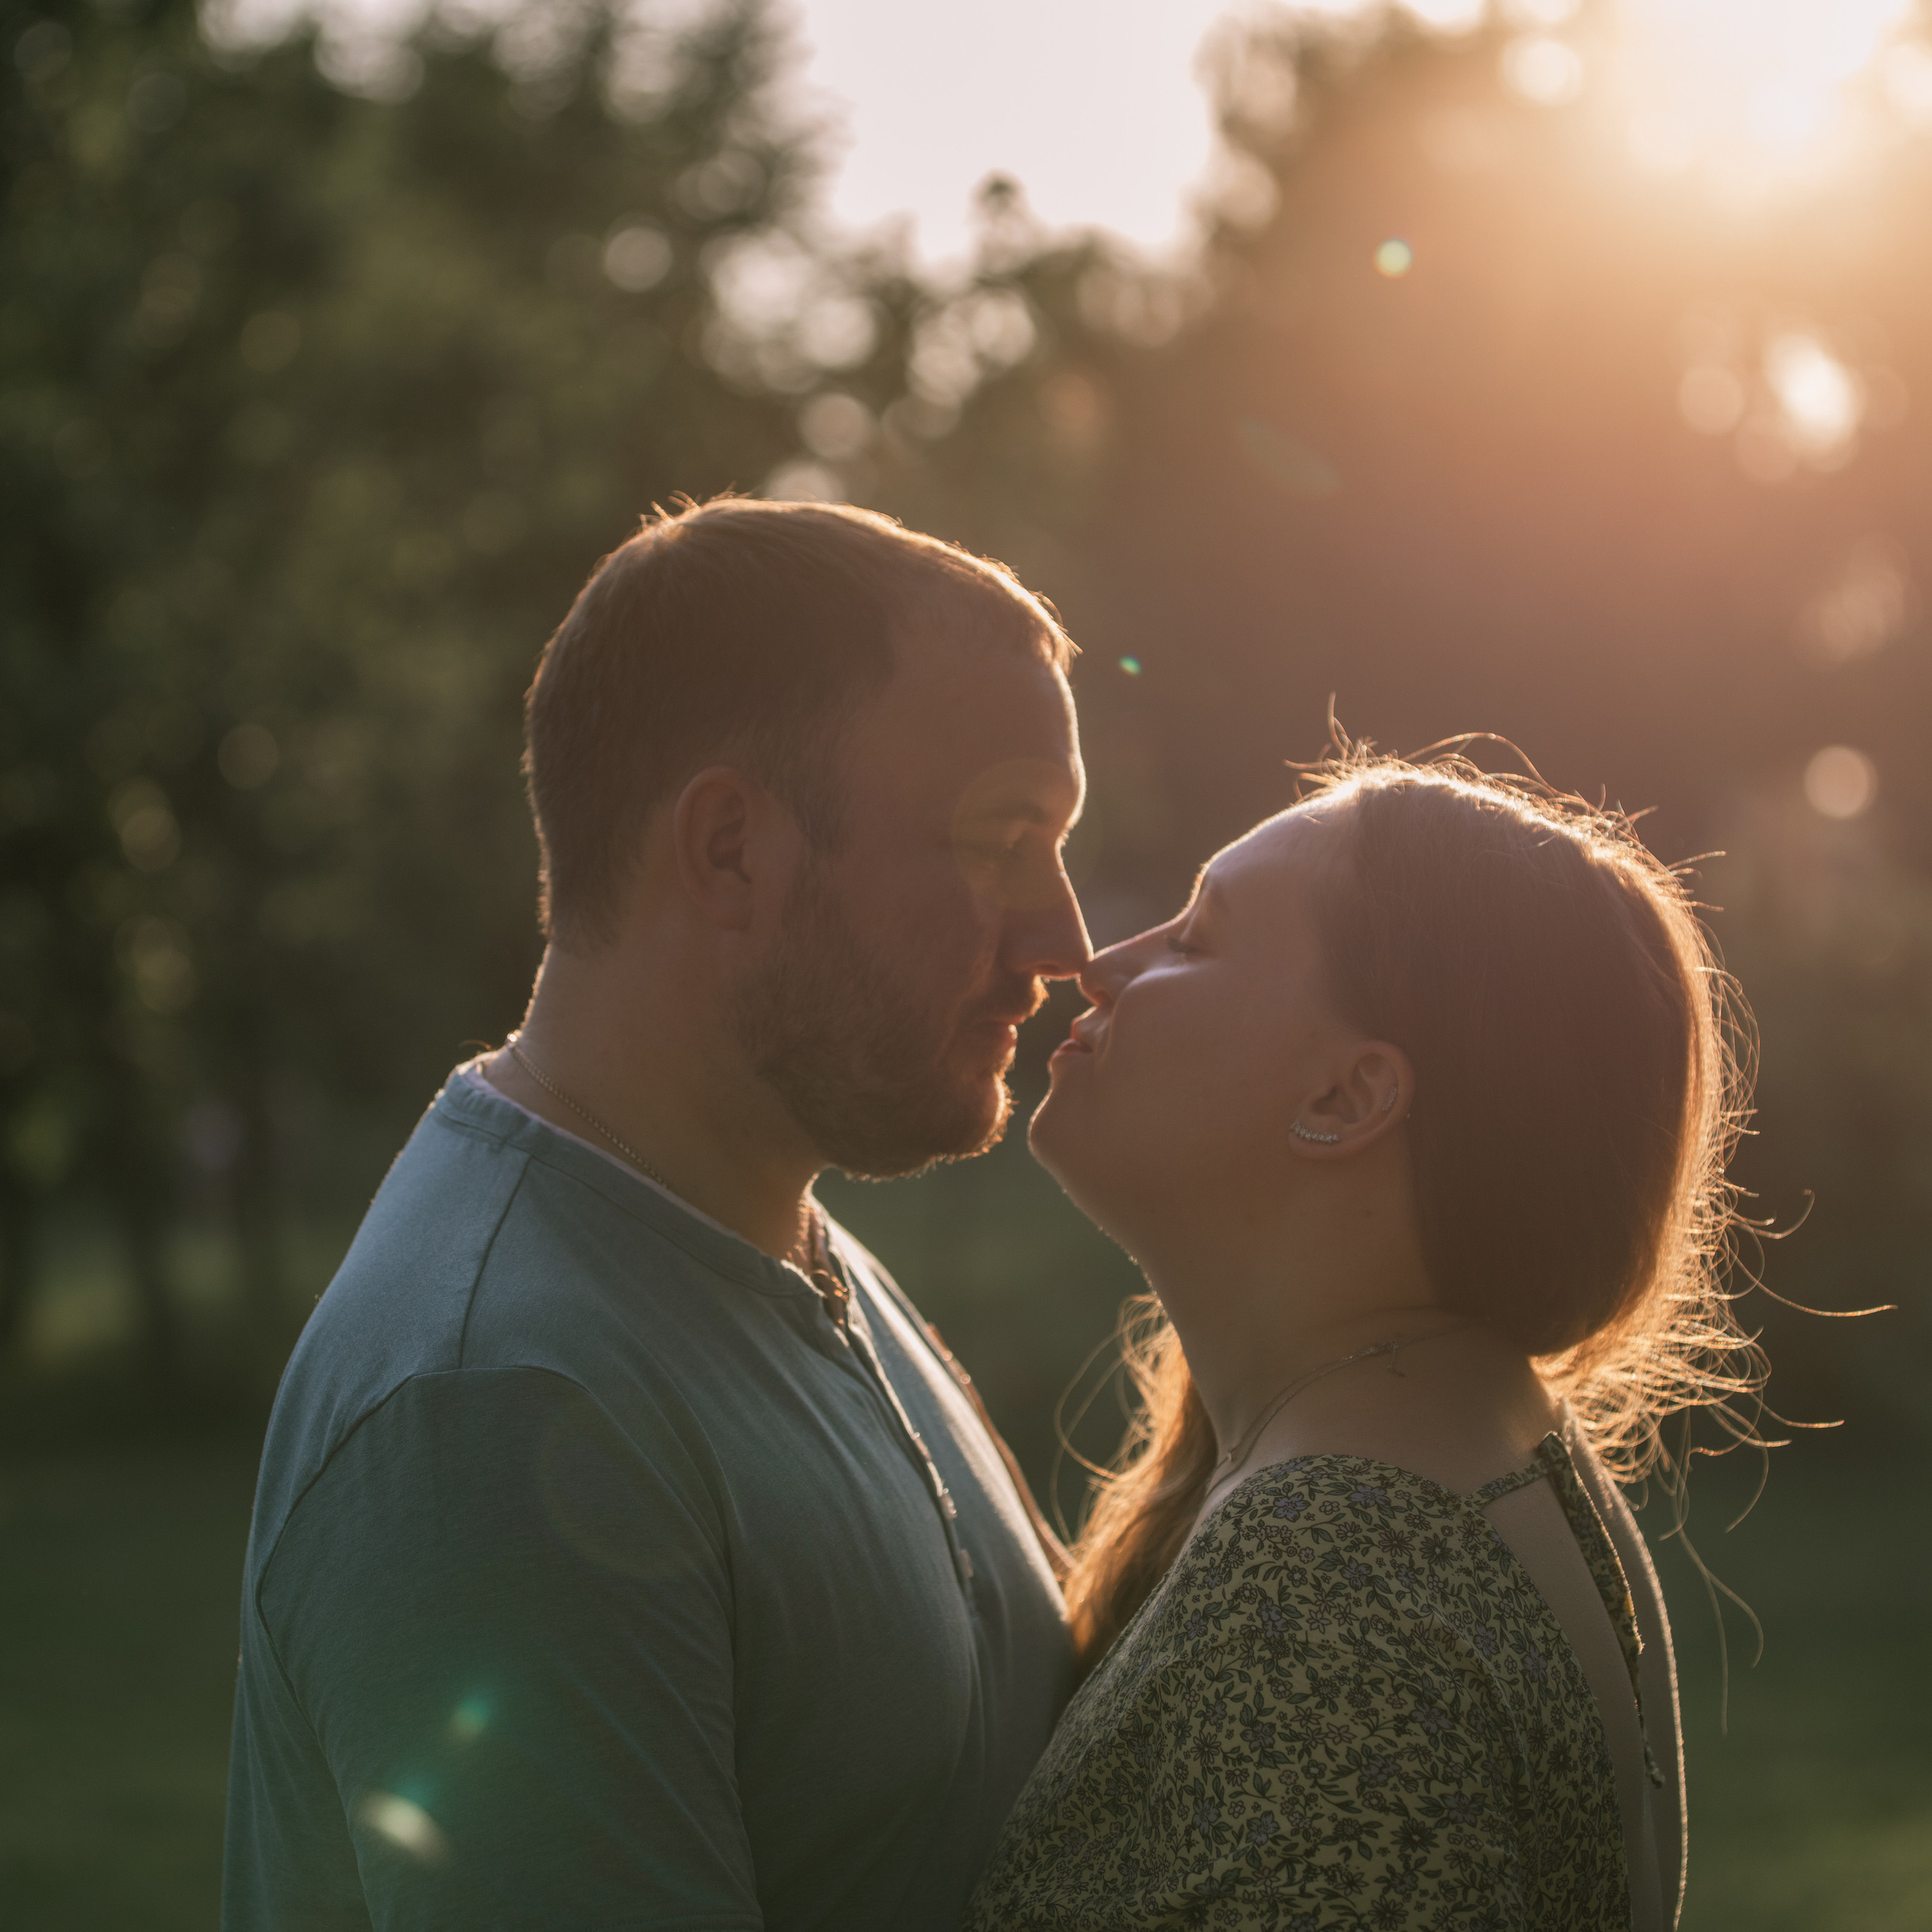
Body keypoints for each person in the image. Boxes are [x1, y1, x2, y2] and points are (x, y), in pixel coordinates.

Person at [222, 497, 1093, 1931]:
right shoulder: (494, 1406)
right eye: (1003, 838)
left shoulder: (767, 1223)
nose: (1062, 940)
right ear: (733, 849)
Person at [968, 747, 1748, 1931]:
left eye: (1194, 941)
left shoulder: (1331, 1574)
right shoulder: (1468, 1444)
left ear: (1346, 1099)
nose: (1099, 964)